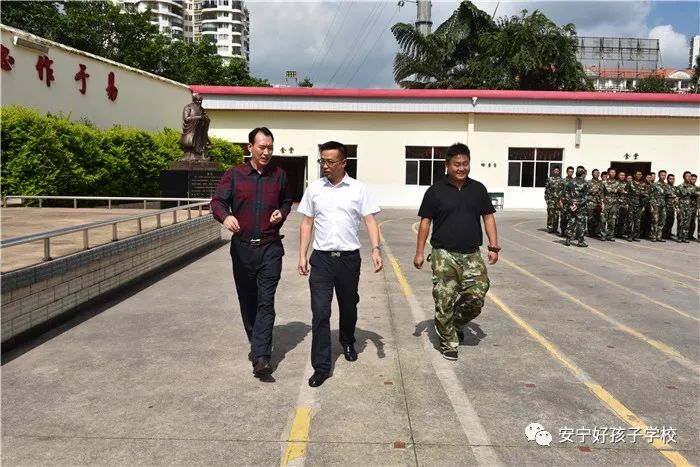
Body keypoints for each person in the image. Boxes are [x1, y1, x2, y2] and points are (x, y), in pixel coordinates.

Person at [298, 141, 383, 388]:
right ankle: (321, 366)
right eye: (322, 161)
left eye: (330, 161)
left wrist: (375, 249)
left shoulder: (358, 189)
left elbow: (370, 220)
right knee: (320, 312)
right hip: (322, 259)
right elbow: (306, 223)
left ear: (343, 162)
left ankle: (347, 340)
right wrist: (302, 255)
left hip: (348, 259)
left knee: (348, 306)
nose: (324, 165)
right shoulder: (314, 189)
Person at [210, 127, 293, 378]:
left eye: (270, 147)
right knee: (248, 301)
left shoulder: (279, 175)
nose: (267, 152)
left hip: (270, 247)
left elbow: (287, 200)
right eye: (262, 147)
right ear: (250, 148)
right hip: (243, 249)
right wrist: (226, 217)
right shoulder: (234, 175)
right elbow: (217, 202)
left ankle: (261, 357)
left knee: (266, 301)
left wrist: (282, 212)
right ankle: (256, 342)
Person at [413, 143, 499, 361]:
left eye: (465, 164)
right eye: (457, 164)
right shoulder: (435, 191)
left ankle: (456, 324)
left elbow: (488, 217)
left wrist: (493, 246)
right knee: (444, 299)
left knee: (477, 295)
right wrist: (419, 253)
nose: (461, 168)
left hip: (472, 253)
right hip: (444, 254)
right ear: (447, 165)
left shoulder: (478, 189)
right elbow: (425, 222)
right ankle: (448, 341)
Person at [180, 93, 212, 161]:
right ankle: (188, 156)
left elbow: (206, 118)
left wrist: (206, 119)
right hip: (191, 129)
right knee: (190, 142)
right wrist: (199, 117)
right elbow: (186, 118)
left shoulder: (202, 109)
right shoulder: (188, 107)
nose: (199, 102)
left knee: (201, 142)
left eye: (200, 101)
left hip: (200, 131)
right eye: (197, 100)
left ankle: (200, 156)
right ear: (193, 100)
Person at [563, 166, 589, 247]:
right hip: (581, 207)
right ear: (583, 174)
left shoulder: (570, 182)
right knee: (580, 224)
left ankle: (568, 239)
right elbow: (585, 196)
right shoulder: (585, 183)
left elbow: (566, 194)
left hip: (571, 206)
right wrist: (578, 204)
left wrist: (572, 203)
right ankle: (580, 242)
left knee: (571, 222)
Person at [675, 171, 696, 243]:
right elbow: (676, 198)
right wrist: (677, 208)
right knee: (680, 222)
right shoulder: (680, 187)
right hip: (681, 206)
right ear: (684, 177)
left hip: (689, 207)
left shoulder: (692, 187)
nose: (689, 177)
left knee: (687, 222)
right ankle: (679, 237)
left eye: (690, 176)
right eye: (687, 176)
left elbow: (694, 196)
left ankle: (684, 237)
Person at [625, 170, 645, 242]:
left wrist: (643, 206)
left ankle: (635, 236)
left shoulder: (643, 184)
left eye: (640, 174)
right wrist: (626, 203)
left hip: (639, 205)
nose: (639, 176)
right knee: (630, 221)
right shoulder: (630, 183)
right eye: (638, 174)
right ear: (634, 175)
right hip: (631, 204)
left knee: (637, 221)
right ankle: (629, 236)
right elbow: (625, 193)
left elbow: (645, 196)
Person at [544, 167, 564, 233]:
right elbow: (546, 190)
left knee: (556, 215)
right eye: (555, 170)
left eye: (557, 171)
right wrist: (547, 199)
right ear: (552, 171)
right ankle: (549, 227)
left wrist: (561, 200)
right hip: (551, 200)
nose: (556, 172)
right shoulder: (549, 179)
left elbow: (562, 190)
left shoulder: (561, 180)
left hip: (558, 201)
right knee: (550, 214)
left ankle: (555, 228)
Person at [601, 167, 618, 241]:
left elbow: (619, 193)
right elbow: (601, 193)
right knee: (603, 220)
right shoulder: (604, 182)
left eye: (614, 172)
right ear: (608, 173)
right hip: (606, 203)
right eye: (611, 172)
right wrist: (602, 203)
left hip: (614, 203)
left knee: (612, 220)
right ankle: (603, 235)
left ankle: (610, 235)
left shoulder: (617, 182)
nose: (613, 174)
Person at [586, 168, 603, 239]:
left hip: (598, 202)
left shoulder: (601, 182)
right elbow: (586, 191)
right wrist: (594, 191)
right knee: (590, 218)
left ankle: (596, 231)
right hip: (591, 202)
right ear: (592, 174)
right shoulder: (588, 182)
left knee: (598, 218)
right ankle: (590, 232)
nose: (597, 174)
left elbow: (602, 192)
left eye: (598, 173)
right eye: (595, 173)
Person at [559, 166, 575, 236]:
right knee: (563, 217)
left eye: (572, 172)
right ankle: (563, 231)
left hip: (571, 202)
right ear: (567, 172)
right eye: (569, 172)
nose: (571, 173)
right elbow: (559, 191)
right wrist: (560, 201)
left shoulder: (574, 181)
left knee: (571, 218)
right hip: (564, 201)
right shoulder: (563, 181)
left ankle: (570, 232)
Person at [662, 173, 677, 239]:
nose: (672, 180)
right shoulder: (665, 186)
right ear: (667, 179)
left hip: (672, 207)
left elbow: (677, 196)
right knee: (665, 221)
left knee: (671, 221)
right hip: (666, 206)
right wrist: (671, 194)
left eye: (673, 179)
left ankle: (668, 233)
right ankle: (663, 234)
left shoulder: (674, 188)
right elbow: (664, 194)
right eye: (670, 179)